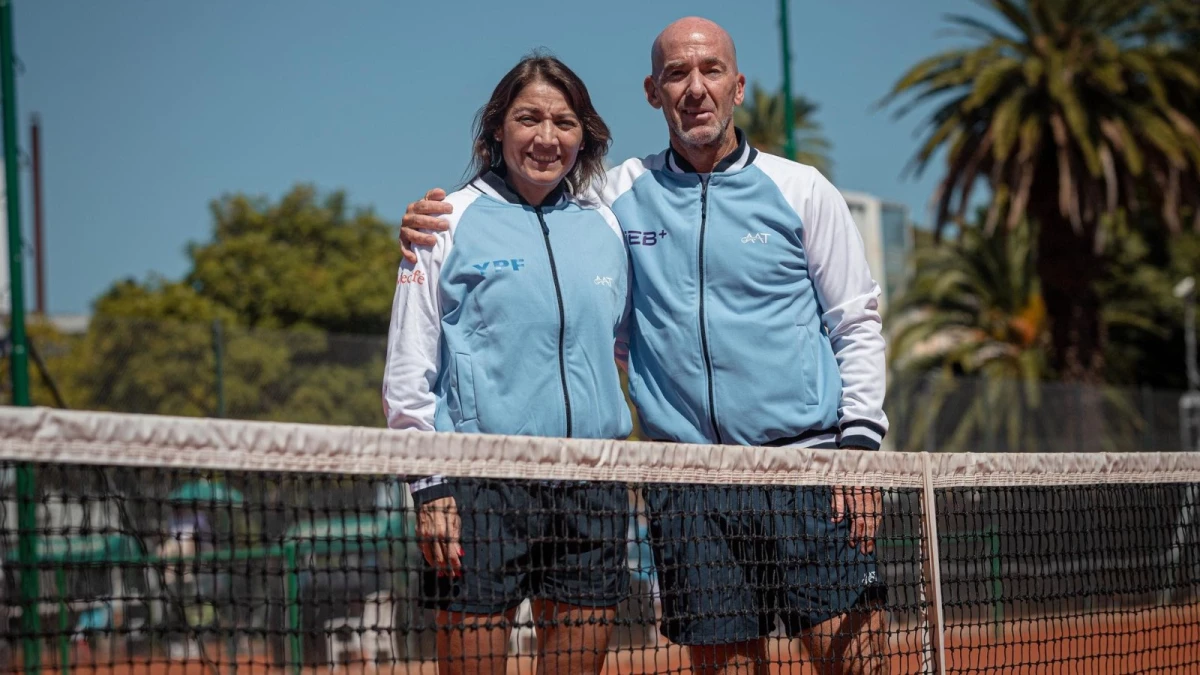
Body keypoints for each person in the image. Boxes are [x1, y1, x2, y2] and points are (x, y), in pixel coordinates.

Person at [397, 18, 891, 675]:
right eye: (676, 75)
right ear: (652, 92)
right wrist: (423, 219)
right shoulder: (612, 198)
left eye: (711, 70)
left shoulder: (802, 191)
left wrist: (858, 448)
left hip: (807, 471)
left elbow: (855, 322)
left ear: (737, 85)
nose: (695, 88)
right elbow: (536, 224)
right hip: (687, 489)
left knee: (866, 663)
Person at [382, 54, 632, 675]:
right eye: (529, 119)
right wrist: (428, 486)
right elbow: (409, 366)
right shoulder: (444, 222)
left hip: (592, 487)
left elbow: (625, 343)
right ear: (497, 128)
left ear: (585, 135)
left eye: (564, 122)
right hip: (478, 489)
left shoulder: (607, 224)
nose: (547, 138)